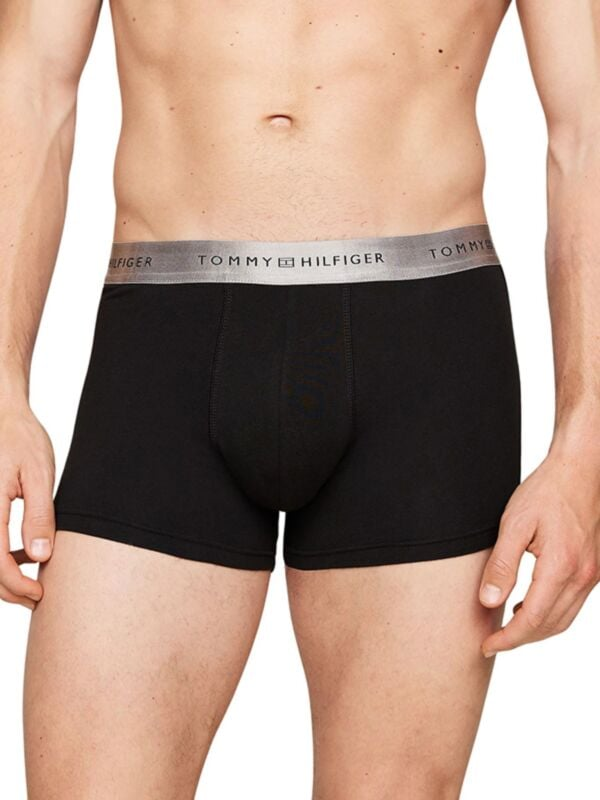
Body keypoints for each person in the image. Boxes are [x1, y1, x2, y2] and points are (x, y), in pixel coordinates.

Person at [1, 1, 599, 797]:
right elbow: (32, 87)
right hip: (163, 345)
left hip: (422, 356)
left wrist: (585, 444)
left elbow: (587, 126)